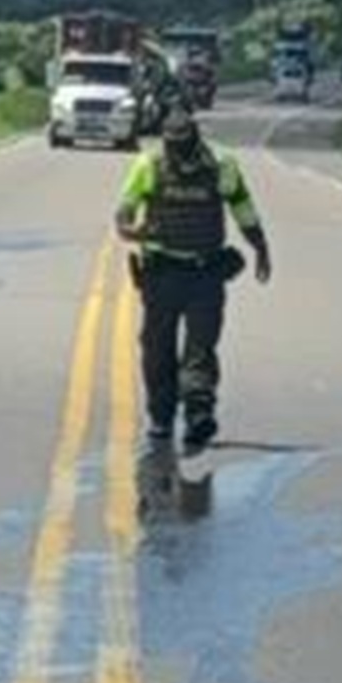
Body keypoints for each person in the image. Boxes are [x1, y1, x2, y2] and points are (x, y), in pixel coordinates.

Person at [115, 111, 272, 451]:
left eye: (184, 144)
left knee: (200, 349)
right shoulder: (149, 165)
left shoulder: (221, 165)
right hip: (161, 275)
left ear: (195, 138)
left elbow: (242, 205)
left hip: (206, 273)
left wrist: (260, 245)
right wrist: (131, 229)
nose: (178, 151)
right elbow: (124, 210)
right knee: (158, 350)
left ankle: (199, 414)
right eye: (173, 144)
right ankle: (161, 417)